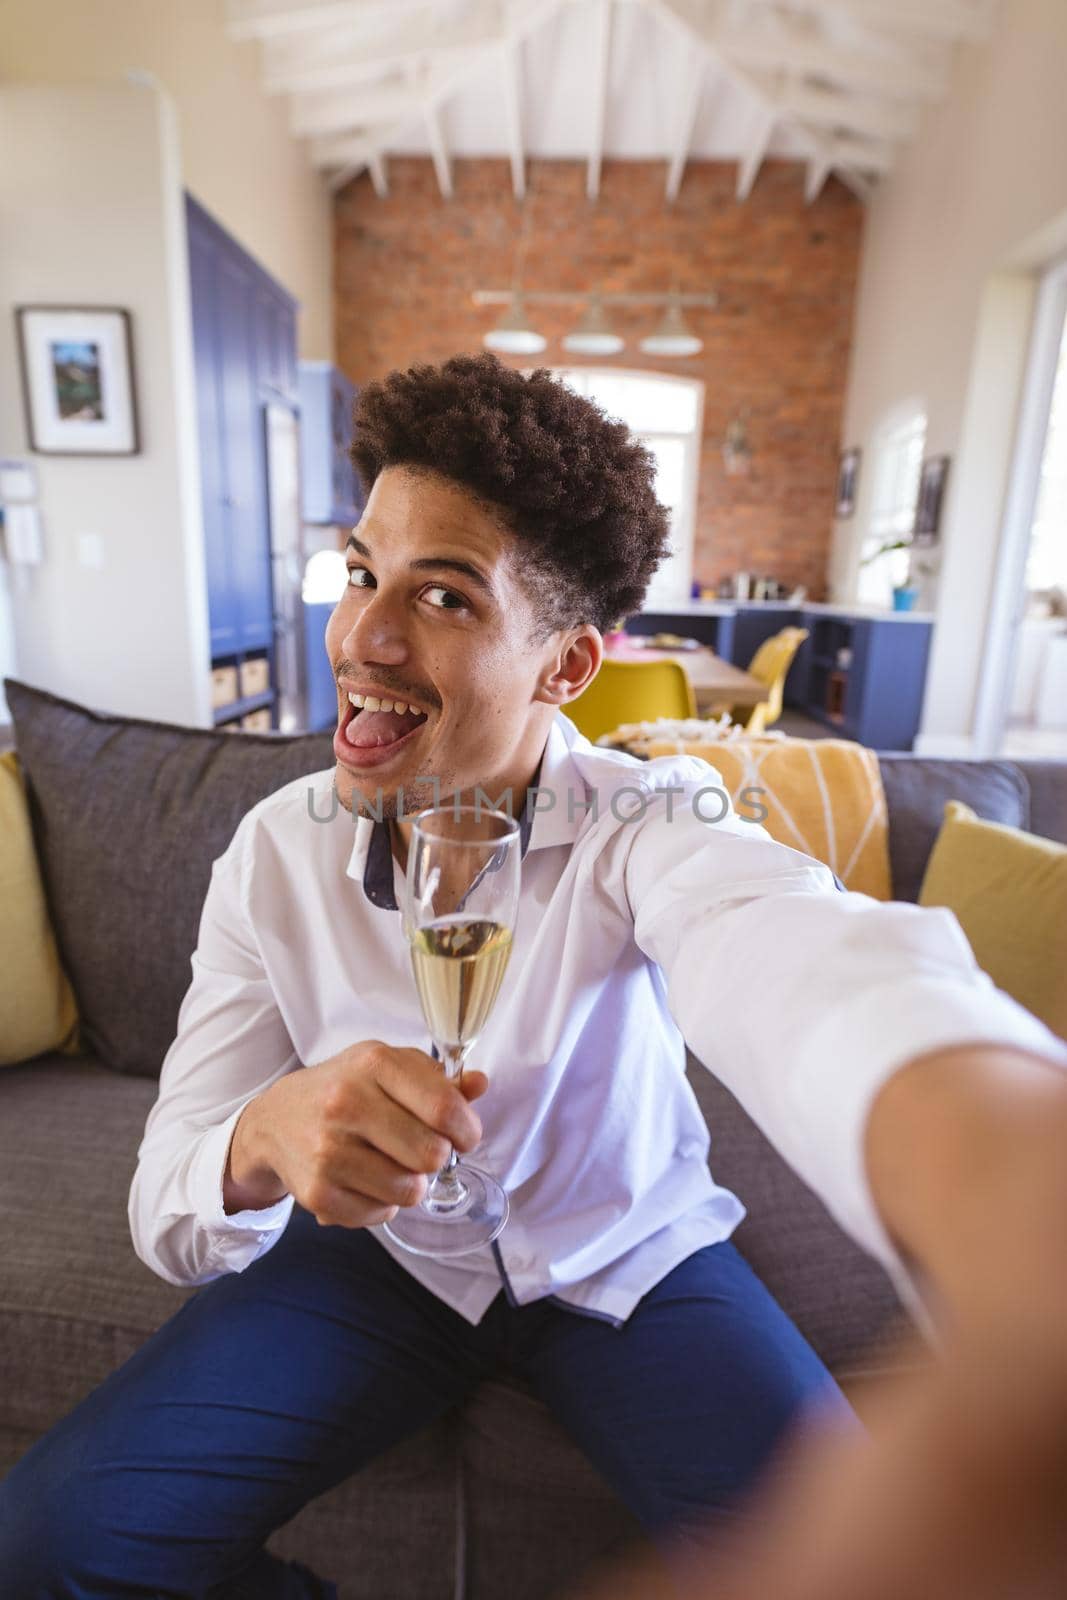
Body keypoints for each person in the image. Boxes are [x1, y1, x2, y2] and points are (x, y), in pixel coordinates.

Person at [1, 354, 1064, 1600]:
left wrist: (1008, 1154)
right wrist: (260, 1134)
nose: (363, 636)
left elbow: (794, 952)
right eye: (360, 574)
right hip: (374, 1265)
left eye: (443, 597)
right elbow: (167, 1198)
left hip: (628, 1253)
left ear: (565, 666)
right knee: (45, 1552)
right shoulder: (272, 851)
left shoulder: (653, 822)